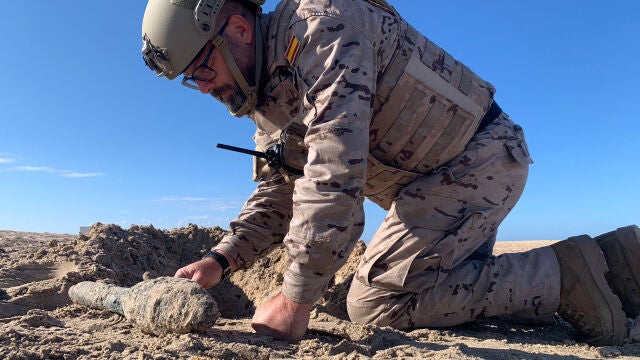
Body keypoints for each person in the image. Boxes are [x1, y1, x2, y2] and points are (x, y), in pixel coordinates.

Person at [140, 0, 640, 344]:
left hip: (477, 162)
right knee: (438, 299)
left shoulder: (321, 27)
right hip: (430, 191)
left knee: (377, 304)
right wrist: (222, 259)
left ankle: (568, 274)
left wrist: (295, 300)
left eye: (201, 71)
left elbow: (335, 172)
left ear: (239, 31)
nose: (203, 89)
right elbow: (280, 194)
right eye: (190, 82)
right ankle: (614, 263)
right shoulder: (267, 103)